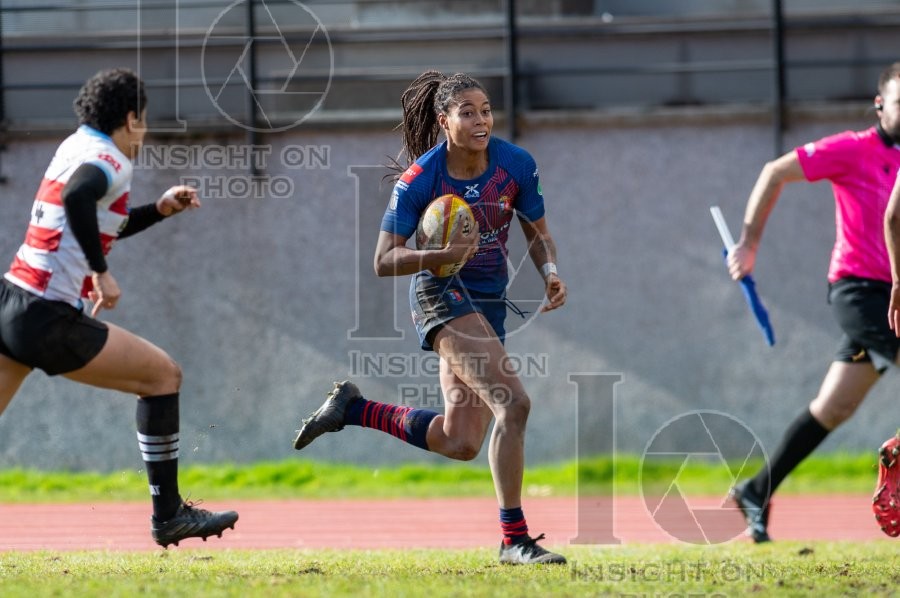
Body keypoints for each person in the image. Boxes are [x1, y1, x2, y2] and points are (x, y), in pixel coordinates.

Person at [293, 71, 568, 564]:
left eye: (486, 110)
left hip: (488, 304)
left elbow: (538, 231)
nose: (481, 120)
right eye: (468, 112)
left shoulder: (517, 165)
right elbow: (383, 260)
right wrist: (441, 255)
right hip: (441, 296)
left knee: (460, 441)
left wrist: (549, 272)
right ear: (444, 121)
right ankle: (514, 539)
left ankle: (354, 409)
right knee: (514, 404)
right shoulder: (421, 178)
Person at [0, 68, 238, 548]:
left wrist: (160, 209)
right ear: (131, 119)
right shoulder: (111, 158)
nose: (143, 133)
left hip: (11, 303)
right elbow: (77, 197)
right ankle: (169, 515)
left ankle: (170, 515)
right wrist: (101, 272)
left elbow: (94, 217)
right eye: (144, 121)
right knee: (163, 376)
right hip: (47, 316)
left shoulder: (75, 145)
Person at [729, 62, 900, 543]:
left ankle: (756, 490)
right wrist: (749, 244)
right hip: (860, 292)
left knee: (835, 405)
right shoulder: (852, 149)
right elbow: (775, 171)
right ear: (880, 105)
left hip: (895, 293)